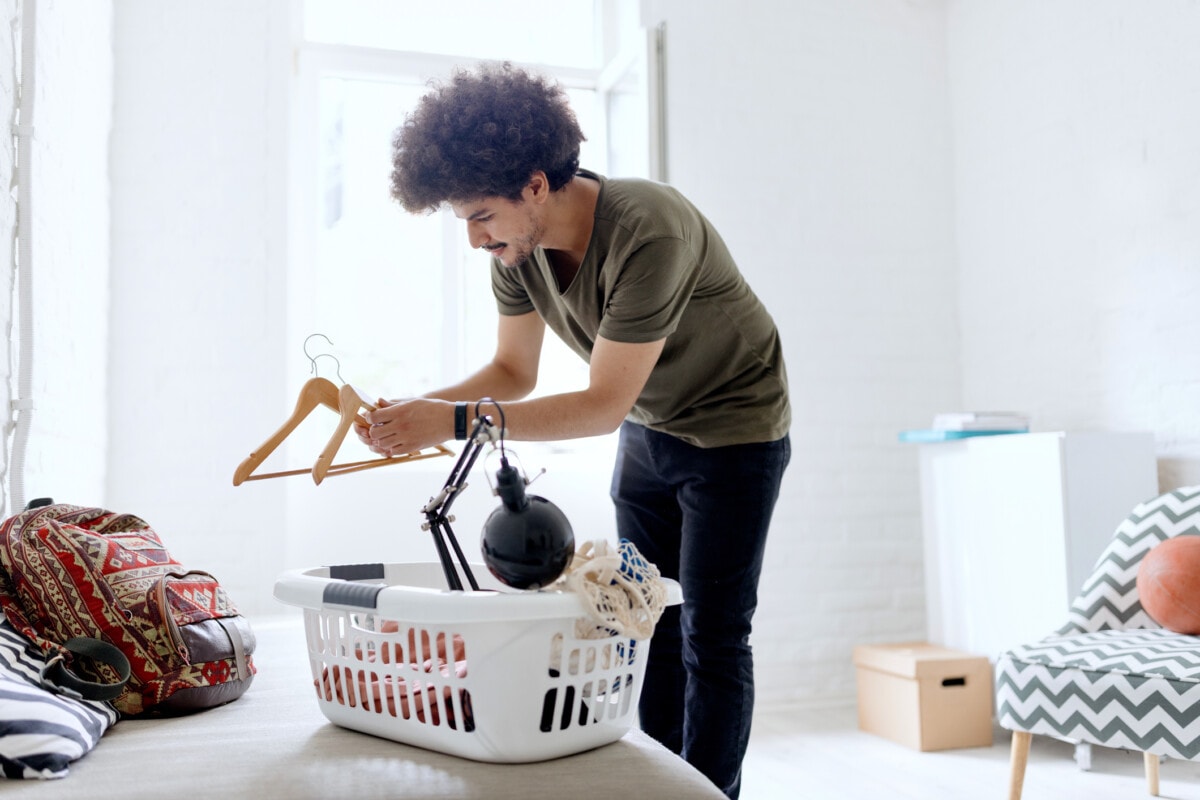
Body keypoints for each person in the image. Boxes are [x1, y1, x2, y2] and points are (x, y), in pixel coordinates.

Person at [359, 61, 790, 800]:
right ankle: (658, 784)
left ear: (534, 185)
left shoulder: (649, 228)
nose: (474, 239)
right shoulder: (516, 250)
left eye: (479, 216)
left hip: (734, 434)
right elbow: (511, 371)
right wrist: (417, 413)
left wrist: (450, 422)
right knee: (642, 620)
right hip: (653, 432)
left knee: (712, 638)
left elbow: (599, 406)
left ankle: (709, 794)